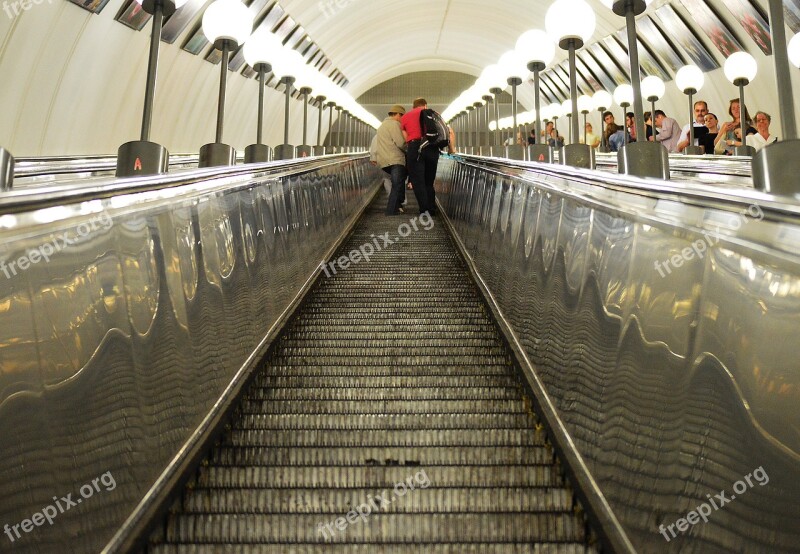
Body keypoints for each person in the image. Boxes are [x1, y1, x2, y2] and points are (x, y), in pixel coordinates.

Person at [401, 97, 440, 215]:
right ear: (425, 105)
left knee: (418, 181)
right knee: (429, 180)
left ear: (413, 106)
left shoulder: (405, 117)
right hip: (431, 147)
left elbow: (405, 136)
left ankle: (424, 209)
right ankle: (432, 208)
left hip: (415, 147)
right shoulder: (433, 114)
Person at [376, 104, 408, 215]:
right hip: (395, 159)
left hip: (384, 161)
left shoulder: (382, 126)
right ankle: (391, 210)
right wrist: (409, 150)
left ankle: (398, 207)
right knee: (397, 185)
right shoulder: (394, 124)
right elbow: (400, 142)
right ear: (398, 114)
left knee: (397, 183)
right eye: (402, 116)